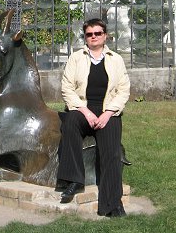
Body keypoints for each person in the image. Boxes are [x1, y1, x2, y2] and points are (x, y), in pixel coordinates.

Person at [55, 17, 130, 217]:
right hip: (83, 109)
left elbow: (123, 90)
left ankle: (112, 204)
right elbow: (67, 88)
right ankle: (74, 181)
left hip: (108, 111)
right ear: (85, 37)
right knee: (69, 123)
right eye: (89, 34)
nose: (94, 37)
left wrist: (108, 113)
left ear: (105, 36)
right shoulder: (76, 58)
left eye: (98, 33)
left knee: (112, 153)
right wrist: (85, 111)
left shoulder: (116, 59)